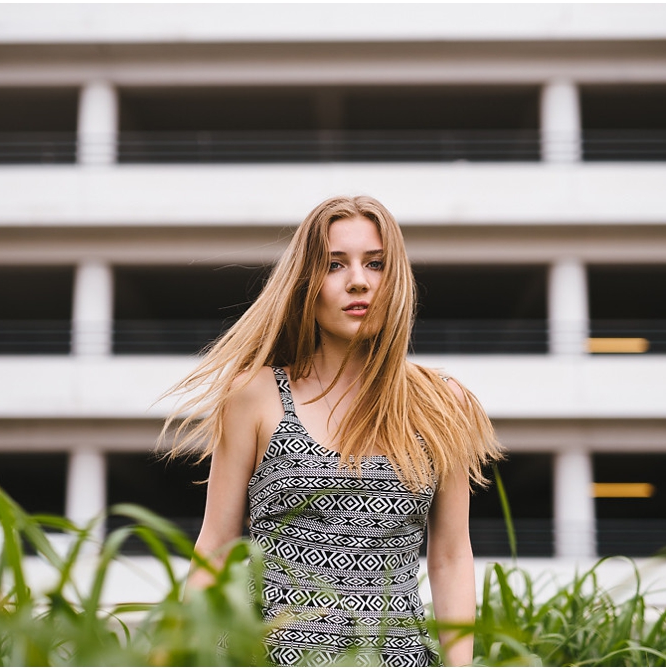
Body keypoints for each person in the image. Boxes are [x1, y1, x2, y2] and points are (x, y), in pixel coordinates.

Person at [161, 195, 503, 667]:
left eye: (376, 264)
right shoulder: (255, 395)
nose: (359, 280)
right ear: (307, 282)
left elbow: (449, 555)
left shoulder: (442, 404)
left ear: (396, 278)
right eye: (335, 264)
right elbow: (216, 545)